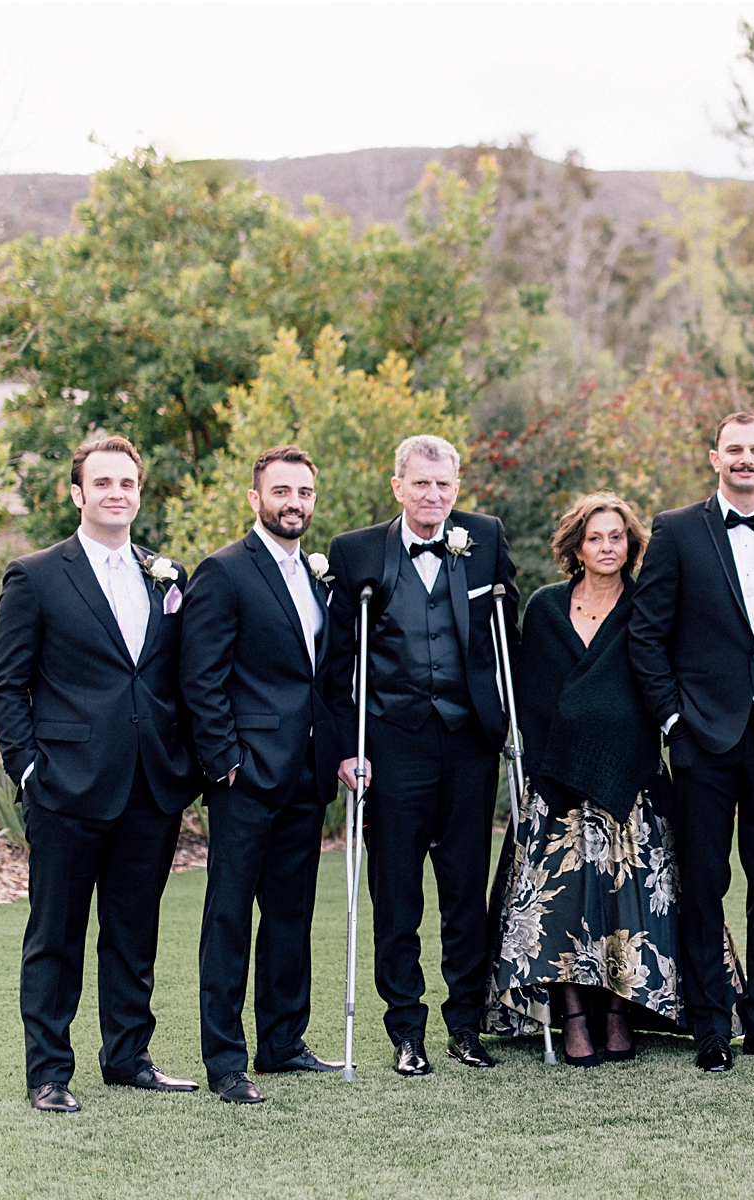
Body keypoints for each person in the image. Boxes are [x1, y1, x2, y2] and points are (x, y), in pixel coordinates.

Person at [0, 435, 202, 1113]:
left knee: (134, 930)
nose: (117, 492)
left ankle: (128, 1056)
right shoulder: (37, 575)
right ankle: (48, 1072)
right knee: (55, 934)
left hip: (150, 785)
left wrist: (184, 763)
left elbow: (176, 678)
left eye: (127, 482)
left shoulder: (166, 575)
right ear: (78, 494)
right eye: (102, 482)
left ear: (139, 492)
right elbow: (7, 684)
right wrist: (26, 769)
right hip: (66, 785)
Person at [628, 412, 754, 1075]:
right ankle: (710, 1028)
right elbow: (646, 635)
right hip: (702, 740)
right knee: (704, 884)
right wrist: (672, 721)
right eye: (735, 449)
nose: (746, 459)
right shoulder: (676, 531)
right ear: (715, 457)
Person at [322, 435, 516, 1078]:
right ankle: (407, 1031)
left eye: (446, 485)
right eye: (423, 485)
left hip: (468, 745)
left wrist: (510, 723)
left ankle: (466, 1026)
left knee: (465, 892)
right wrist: (348, 749)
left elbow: (505, 635)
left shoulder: (484, 536)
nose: (435, 497)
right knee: (396, 893)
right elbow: (337, 663)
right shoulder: (355, 553)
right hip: (391, 743)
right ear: (398, 485)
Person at [484, 493, 678, 1067]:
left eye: (617, 537)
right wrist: (546, 772)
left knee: (626, 904)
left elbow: (656, 681)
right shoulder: (545, 608)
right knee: (563, 907)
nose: (607, 547)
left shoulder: (647, 605)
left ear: (631, 544)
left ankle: (619, 1013)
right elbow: (531, 696)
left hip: (633, 783)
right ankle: (572, 1017)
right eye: (596, 537)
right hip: (556, 784)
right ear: (576, 545)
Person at [180, 445, 343, 1105]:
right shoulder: (223, 572)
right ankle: (226, 1061)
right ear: (255, 498)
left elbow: (319, 675)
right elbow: (202, 677)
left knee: (290, 915)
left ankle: (282, 1042)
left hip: (305, 776)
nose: (294, 503)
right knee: (228, 918)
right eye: (281, 491)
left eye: (304, 492)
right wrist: (225, 763)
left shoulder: (314, 575)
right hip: (245, 778)